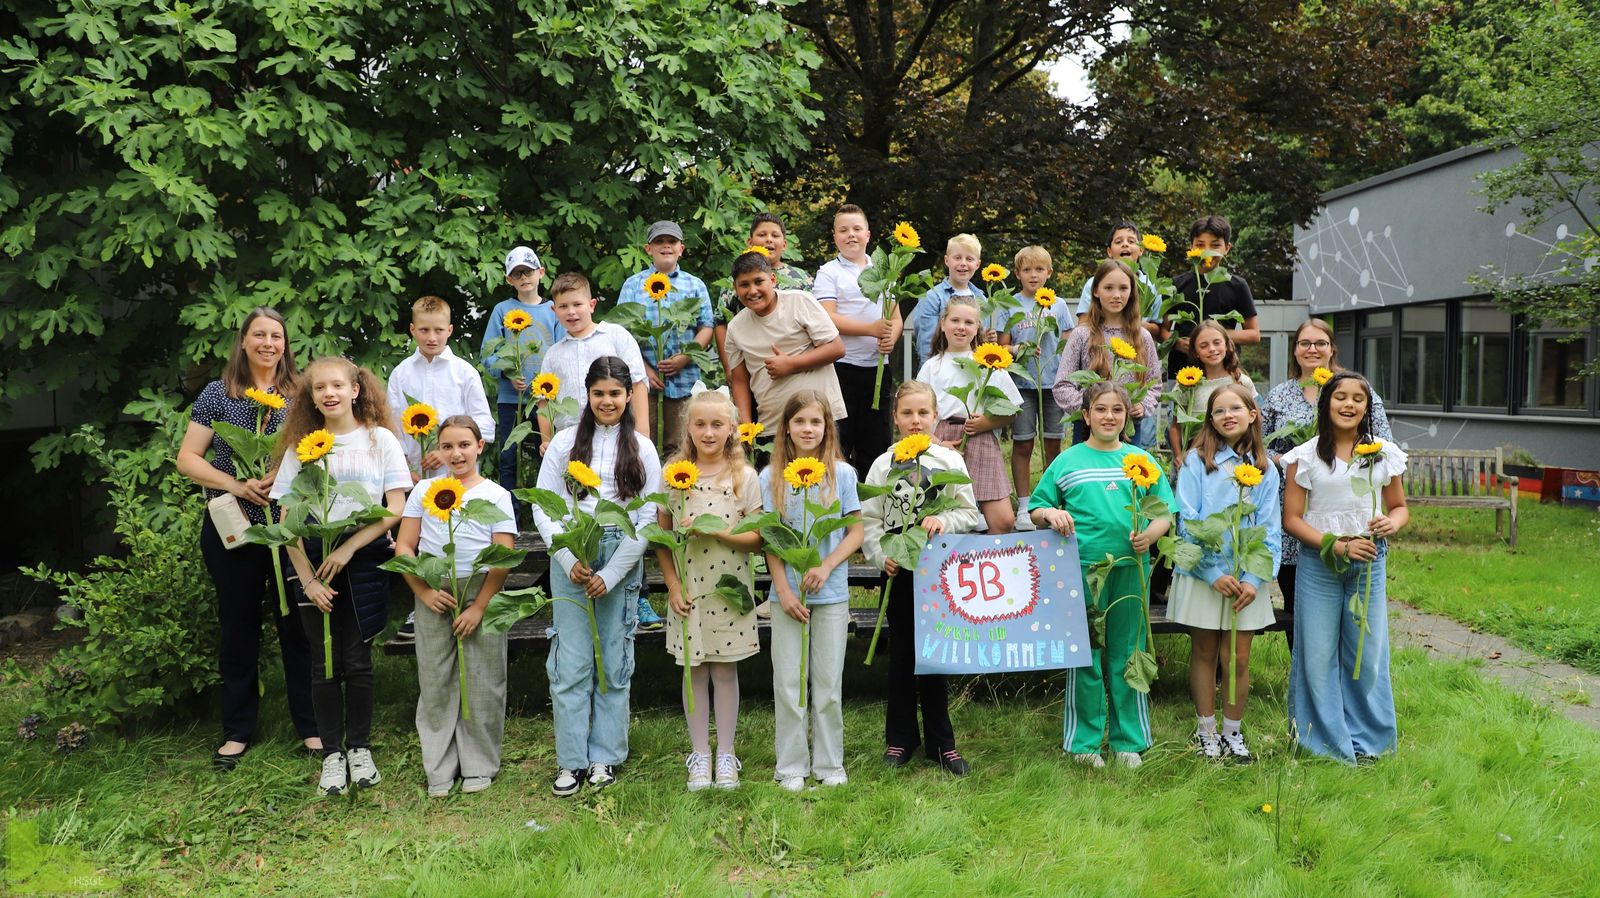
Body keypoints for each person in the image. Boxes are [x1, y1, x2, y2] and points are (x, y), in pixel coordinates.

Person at [176, 308, 318, 770]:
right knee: (237, 628)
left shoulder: (300, 395)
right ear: (243, 342)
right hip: (233, 526)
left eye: (276, 335)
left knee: (297, 627)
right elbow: (188, 458)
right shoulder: (218, 394)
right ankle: (236, 731)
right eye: (259, 335)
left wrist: (284, 473)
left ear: (285, 345)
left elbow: (320, 446)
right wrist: (236, 484)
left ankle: (311, 726)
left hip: (288, 526)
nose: (268, 343)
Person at [270, 357, 409, 796]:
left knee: (357, 657)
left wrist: (349, 547)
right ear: (310, 398)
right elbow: (286, 519)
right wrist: (306, 578)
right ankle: (332, 755)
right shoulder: (301, 447)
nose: (328, 394)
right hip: (314, 558)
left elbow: (395, 506)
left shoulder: (379, 439)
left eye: (337, 386)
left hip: (362, 556)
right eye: (319, 389)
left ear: (355, 390)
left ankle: (359, 749)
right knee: (323, 660)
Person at [532, 356, 663, 796]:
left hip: (619, 553)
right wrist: (568, 559)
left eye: (615, 394)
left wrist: (613, 571)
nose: (607, 401)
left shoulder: (642, 448)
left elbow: (647, 516)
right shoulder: (565, 443)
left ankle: (605, 755)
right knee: (570, 661)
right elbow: (543, 505)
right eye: (599, 393)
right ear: (586, 395)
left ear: (629, 397)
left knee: (613, 656)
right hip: (572, 550)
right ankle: (571, 760)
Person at [1029, 382, 1174, 769]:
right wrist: (1051, 515)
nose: (1109, 416)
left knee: (1129, 653)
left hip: (1131, 571)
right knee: (1086, 655)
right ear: (1087, 415)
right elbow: (1038, 507)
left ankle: (1129, 740)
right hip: (1082, 571)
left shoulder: (1141, 460)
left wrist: (1150, 536)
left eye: (1117, 410)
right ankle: (1085, 743)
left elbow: (1164, 512)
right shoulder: (1068, 461)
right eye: (1100, 409)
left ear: (1127, 416)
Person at [1282, 372, 1409, 763]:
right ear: (1326, 403)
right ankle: (1323, 744)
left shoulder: (1383, 453)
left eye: (1359, 398)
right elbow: (1292, 519)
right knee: (1316, 654)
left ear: (1368, 408)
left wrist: (1394, 523)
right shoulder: (1304, 457)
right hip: (1320, 564)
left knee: (1366, 653)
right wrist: (1335, 546)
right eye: (1341, 397)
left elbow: (1399, 507)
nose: (1349, 404)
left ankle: (1369, 741)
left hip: (1369, 563)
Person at [860, 381, 981, 775]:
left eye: (923, 414)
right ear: (895, 418)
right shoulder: (883, 464)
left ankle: (942, 743)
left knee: (935, 657)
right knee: (901, 657)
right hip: (899, 574)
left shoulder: (949, 463)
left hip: (939, 574)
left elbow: (969, 513)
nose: (915, 421)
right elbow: (869, 520)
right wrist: (883, 556)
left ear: (935, 418)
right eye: (907, 413)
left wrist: (942, 519)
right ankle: (899, 739)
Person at [392, 416, 517, 797]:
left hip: (480, 590)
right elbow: (404, 547)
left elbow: (502, 555)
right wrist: (424, 591)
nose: (456, 453)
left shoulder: (494, 495)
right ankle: (440, 767)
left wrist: (480, 605)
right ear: (438, 451)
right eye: (447, 446)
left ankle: (479, 763)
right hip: (434, 588)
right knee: (436, 678)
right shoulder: (424, 491)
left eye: (464, 445)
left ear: (480, 447)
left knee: (482, 677)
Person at [537, 272, 665, 630]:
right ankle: (572, 615)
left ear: (591, 304)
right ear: (554, 310)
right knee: (580, 515)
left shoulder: (616, 336)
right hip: (575, 448)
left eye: (577, 304)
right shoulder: (554, 353)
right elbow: (543, 401)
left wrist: (639, 438)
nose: (571, 312)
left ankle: (635, 599)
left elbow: (637, 385)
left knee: (625, 512)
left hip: (621, 439)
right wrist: (546, 439)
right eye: (563, 307)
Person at [654, 390, 764, 791]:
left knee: (724, 670)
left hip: (728, 589)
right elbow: (661, 538)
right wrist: (672, 584)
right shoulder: (674, 474)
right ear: (688, 427)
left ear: (732, 429)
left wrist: (720, 530)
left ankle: (727, 754)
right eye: (700, 424)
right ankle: (699, 754)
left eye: (717, 424)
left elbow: (759, 537)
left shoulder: (744, 477)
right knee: (693, 672)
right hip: (689, 589)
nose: (708, 431)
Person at [1259, 318, 1393, 648]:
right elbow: (1261, 447)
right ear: (1295, 350)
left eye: (1320, 343)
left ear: (1332, 348)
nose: (1313, 349)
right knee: (1298, 595)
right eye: (1305, 343)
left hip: (1344, 505)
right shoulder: (1279, 395)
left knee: (1351, 600)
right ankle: (1305, 665)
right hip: (1293, 503)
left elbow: (1383, 442)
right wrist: (1290, 461)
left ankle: (1345, 670)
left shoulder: (1354, 389)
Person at [1170, 384, 1282, 763]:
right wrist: (1211, 571)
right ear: (1210, 419)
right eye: (1219, 411)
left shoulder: (1265, 470)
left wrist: (1253, 579)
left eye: (1236, 408)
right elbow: (1187, 521)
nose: (1228, 415)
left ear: (1253, 414)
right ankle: (1206, 731)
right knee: (1204, 652)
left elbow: (1269, 528)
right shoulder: (1196, 462)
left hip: (1246, 576)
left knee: (1238, 657)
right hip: (1206, 573)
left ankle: (1233, 733)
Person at [762, 391, 863, 791]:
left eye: (815, 422)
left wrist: (825, 565)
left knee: (827, 683)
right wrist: (783, 591)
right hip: (787, 597)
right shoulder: (770, 478)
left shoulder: (842, 475)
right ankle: (790, 765)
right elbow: (771, 539)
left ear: (827, 428)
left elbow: (855, 531)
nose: (808, 429)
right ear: (786, 426)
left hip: (831, 591)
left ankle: (829, 763)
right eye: (800, 421)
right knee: (787, 684)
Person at [916, 295, 1022, 534]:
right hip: (942, 442)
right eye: (955, 320)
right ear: (943, 324)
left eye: (968, 322)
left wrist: (987, 422)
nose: (961, 327)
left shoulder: (988, 363)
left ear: (977, 329)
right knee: (941, 515)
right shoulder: (932, 367)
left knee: (1003, 521)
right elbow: (919, 419)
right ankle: (952, 566)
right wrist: (940, 443)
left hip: (980, 436)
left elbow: (1013, 410)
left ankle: (990, 564)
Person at [813, 203, 902, 476]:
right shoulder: (829, 272)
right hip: (842, 368)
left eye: (856, 229)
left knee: (875, 441)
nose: (850, 235)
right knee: (840, 438)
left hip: (877, 369)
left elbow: (896, 317)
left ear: (868, 235)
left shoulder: (885, 271)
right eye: (843, 230)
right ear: (835, 237)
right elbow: (828, 317)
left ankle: (872, 505)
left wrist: (891, 337)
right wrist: (870, 329)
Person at [616, 219, 715, 457]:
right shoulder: (633, 285)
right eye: (659, 241)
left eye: (672, 241)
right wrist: (645, 369)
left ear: (681, 248)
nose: (666, 246)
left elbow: (707, 327)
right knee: (642, 444)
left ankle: (676, 494)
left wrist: (685, 356)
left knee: (682, 447)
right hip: (644, 384)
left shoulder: (695, 285)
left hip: (684, 381)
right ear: (648, 249)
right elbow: (622, 333)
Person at [723, 251, 847, 435]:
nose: (753, 291)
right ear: (735, 288)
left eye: (759, 281)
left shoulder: (799, 301)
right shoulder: (735, 328)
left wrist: (792, 364)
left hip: (820, 420)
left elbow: (836, 348)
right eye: (744, 285)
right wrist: (746, 427)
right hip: (772, 425)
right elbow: (740, 381)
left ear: (772, 280)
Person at [995, 245, 1067, 527]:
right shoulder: (1010, 305)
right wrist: (1017, 348)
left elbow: (1068, 341)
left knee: (1053, 445)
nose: (1033, 275)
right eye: (1027, 270)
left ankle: (1049, 502)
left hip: (1052, 385)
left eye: (1039, 270)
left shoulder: (1058, 305)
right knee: (1023, 444)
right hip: (1022, 385)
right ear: (1017, 274)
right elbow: (1001, 345)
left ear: (1049, 273)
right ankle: (1024, 506)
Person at [1054, 259, 1160, 447]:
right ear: (1096, 291)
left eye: (1123, 288)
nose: (1116, 295)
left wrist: (1143, 406)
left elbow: (1154, 384)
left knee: (1127, 474)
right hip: (1088, 429)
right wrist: (1092, 408)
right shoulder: (1081, 335)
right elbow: (1062, 385)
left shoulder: (1142, 337)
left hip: (1127, 428)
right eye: (1108, 288)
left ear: (1131, 292)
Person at [481, 245, 559, 491]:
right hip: (510, 399)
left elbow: (562, 351)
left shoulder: (553, 310)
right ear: (509, 279)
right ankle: (509, 520)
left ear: (541, 273)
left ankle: (545, 517)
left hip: (545, 400)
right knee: (508, 457)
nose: (524, 278)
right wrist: (508, 373)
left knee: (546, 455)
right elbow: (488, 354)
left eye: (529, 272)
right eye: (517, 274)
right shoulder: (502, 310)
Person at [714, 213, 814, 373]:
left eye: (775, 235)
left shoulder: (802, 279)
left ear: (784, 244)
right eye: (762, 234)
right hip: (749, 364)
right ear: (749, 242)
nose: (769, 239)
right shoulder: (734, 281)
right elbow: (721, 323)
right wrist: (728, 367)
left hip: (796, 361)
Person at [1162, 215, 1260, 373]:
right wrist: (1177, 343)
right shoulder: (1175, 285)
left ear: (1227, 248)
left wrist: (1217, 337)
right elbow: (1163, 330)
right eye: (1200, 245)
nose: (1207, 252)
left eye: (1215, 245)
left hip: (1224, 367)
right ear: (1191, 247)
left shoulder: (1236, 285)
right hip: (1183, 368)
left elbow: (1254, 334)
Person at [1166, 319, 1256, 466]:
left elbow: (1255, 420)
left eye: (1217, 343)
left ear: (1227, 345)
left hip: (1236, 456)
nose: (1212, 349)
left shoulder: (1240, 381)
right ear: (1195, 352)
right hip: (1198, 457)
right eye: (1204, 345)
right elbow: (1175, 427)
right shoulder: (1186, 385)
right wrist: (1178, 455)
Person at [908, 233, 985, 367]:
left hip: (972, 370)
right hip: (939, 369)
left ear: (977, 264)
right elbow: (927, 346)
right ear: (946, 260)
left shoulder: (982, 299)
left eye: (969, 259)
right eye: (957, 257)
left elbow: (981, 341)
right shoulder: (932, 297)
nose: (963, 263)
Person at [1074, 221, 1161, 334]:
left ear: (1141, 250)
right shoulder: (1094, 283)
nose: (1125, 244)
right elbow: (1083, 322)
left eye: (1131, 241)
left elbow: (1158, 328)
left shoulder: (1152, 286)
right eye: (1118, 241)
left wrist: (1140, 325)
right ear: (1109, 251)